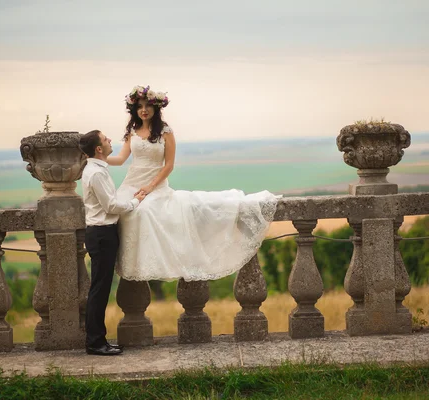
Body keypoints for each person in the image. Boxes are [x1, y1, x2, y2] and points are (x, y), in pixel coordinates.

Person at [106, 85, 280, 282]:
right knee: (122, 212)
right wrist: (97, 158)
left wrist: (150, 187)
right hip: (131, 183)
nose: (143, 110)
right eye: (139, 106)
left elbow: (169, 165)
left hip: (156, 186)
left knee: (145, 212)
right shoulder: (132, 131)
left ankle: (156, 265)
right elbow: (120, 159)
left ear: (156, 108)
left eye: (147, 106)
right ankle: (131, 265)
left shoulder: (165, 131)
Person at [79, 130, 146, 356]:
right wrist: (135, 201)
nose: (110, 142)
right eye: (106, 139)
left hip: (103, 233)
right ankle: (95, 343)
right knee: (99, 290)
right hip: (101, 234)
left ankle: (98, 341)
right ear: (99, 148)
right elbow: (110, 206)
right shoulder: (95, 173)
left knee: (101, 288)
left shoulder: (97, 169)